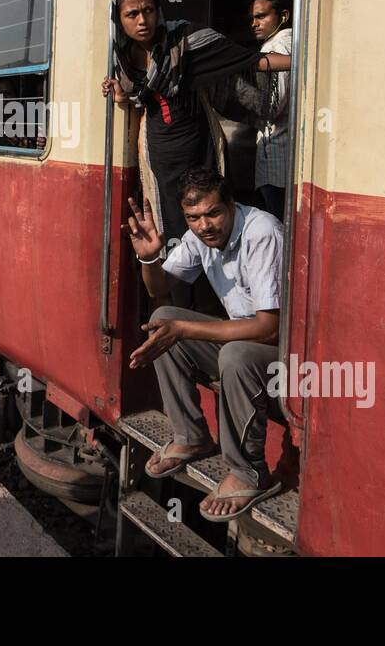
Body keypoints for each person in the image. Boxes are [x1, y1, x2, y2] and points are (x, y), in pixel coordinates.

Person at [126, 166, 285, 522]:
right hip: (247, 338)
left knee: (235, 352)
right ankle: (191, 435)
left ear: (231, 205)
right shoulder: (200, 235)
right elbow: (159, 288)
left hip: (285, 355)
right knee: (164, 318)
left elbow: (268, 328)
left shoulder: (261, 232)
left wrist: (184, 330)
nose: (204, 225)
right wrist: (150, 257)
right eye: (194, 217)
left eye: (213, 213)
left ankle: (249, 473)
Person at [101, 0, 288, 264]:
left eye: (148, 10)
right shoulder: (123, 60)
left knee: (210, 222)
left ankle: (212, 296)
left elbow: (247, 61)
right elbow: (138, 98)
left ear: (158, 10)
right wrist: (119, 96)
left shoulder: (186, 40)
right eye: (132, 14)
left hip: (200, 149)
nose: (142, 20)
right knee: (170, 229)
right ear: (119, 19)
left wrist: (300, 60)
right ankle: (177, 300)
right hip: (159, 155)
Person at [248, 0, 293, 219]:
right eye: (253, 18)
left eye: (261, 16)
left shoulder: (275, 48)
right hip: (282, 160)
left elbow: (272, 105)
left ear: (283, 15)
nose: (254, 24)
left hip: (276, 160)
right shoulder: (290, 42)